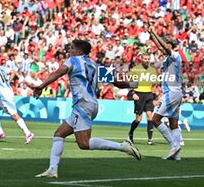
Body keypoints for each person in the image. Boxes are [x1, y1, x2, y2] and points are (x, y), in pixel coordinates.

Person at [34, 40, 141, 178]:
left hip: (83, 104)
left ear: (79, 51)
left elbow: (60, 71)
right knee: (59, 134)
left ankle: (123, 146)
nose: (69, 51)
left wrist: (41, 86)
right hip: (89, 104)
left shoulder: (73, 60)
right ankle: (52, 170)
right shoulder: (95, 65)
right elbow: (118, 83)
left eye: (72, 48)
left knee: (83, 143)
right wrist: (133, 83)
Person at [148, 28, 184, 160]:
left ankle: (174, 145)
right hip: (176, 92)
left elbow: (164, 48)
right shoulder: (169, 57)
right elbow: (160, 47)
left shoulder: (175, 56)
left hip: (172, 92)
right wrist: (152, 34)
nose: (163, 48)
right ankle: (176, 154)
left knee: (155, 119)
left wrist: (156, 34)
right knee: (173, 122)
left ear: (171, 46)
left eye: (166, 45)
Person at [0, 54, 34, 144]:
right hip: (5, 91)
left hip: (4, 94)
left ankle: (28, 133)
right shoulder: (0, 67)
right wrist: (8, 81)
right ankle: (0, 132)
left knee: (14, 115)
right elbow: (13, 72)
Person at [127, 53, 157, 145]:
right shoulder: (135, 69)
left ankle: (150, 140)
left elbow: (154, 84)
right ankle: (130, 134)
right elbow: (132, 82)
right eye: (145, 59)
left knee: (149, 116)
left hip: (148, 94)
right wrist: (133, 93)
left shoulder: (153, 70)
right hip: (139, 94)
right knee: (138, 119)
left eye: (148, 59)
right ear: (141, 59)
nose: (147, 60)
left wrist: (154, 98)